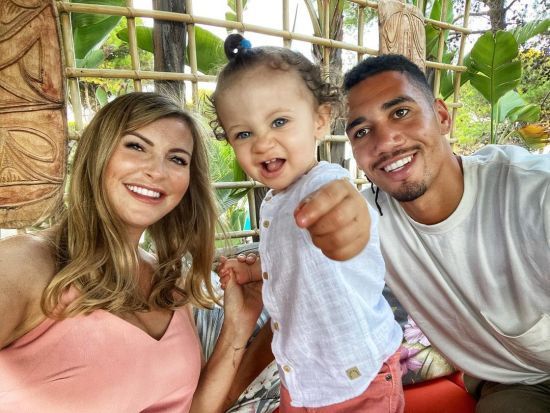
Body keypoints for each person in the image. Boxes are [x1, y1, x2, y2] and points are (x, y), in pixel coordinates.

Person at [292, 54, 549, 412]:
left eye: (400, 112)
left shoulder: (533, 193)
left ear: (442, 117)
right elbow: (294, 271)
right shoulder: (367, 222)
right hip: (515, 383)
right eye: (362, 132)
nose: (386, 142)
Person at [0, 92, 263, 413]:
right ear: (98, 153)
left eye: (177, 159)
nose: (157, 171)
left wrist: (238, 325)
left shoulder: (171, 283)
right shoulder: (27, 264)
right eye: (136, 147)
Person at [209, 34, 404, 412]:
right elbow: (295, 257)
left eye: (279, 122)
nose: (262, 143)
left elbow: (347, 215)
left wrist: (348, 228)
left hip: (358, 377)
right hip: (303, 375)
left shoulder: (325, 183)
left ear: (320, 120)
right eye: (244, 133)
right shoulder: (274, 202)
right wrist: (255, 272)